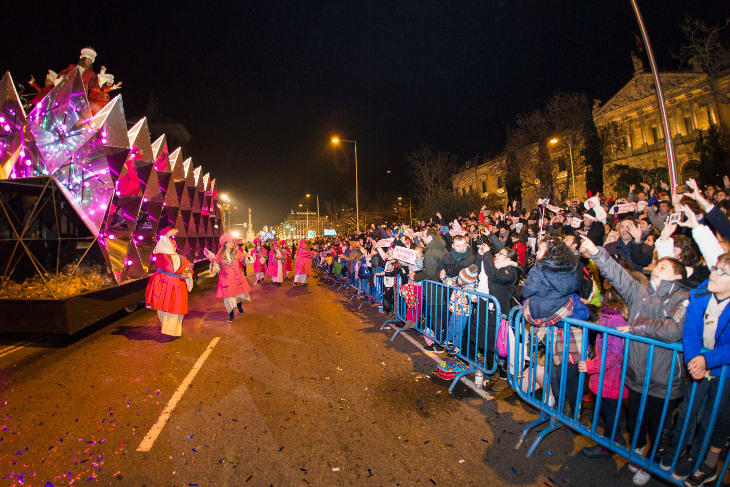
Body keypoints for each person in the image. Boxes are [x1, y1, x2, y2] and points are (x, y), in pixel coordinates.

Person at [579, 235, 690, 487]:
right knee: (636, 420)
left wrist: (636, 327)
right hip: (637, 377)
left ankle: (651, 465)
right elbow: (617, 274)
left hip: (663, 381)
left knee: (658, 427)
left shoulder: (682, 298)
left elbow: (672, 330)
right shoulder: (640, 292)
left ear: (677, 277)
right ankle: (638, 452)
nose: (656, 267)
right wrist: (596, 252)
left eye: (663, 266)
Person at [578, 287, 629, 459]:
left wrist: (591, 366)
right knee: (608, 411)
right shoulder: (609, 316)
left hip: (612, 377)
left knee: (610, 412)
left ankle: (609, 445)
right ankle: (615, 438)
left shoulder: (615, 320)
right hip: (608, 376)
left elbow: (614, 354)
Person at [144, 228, 193, 338]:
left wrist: (187, 274)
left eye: (174, 246)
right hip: (165, 285)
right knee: (164, 309)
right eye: (171, 245)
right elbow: (161, 245)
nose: (173, 247)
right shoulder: (162, 256)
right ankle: (168, 329)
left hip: (178, 286)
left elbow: (189, 268)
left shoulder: (182, 258)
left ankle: (174, 331)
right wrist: (166, 236)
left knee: (177, 310)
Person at [209, 234, 251, 322]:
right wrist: (213, 262)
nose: (232, 243)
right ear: (225, 243)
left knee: (239, 295)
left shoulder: (236, 252)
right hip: (226, 279)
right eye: (230, 242)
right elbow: (215, 269)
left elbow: (245, 261)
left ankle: (240, 307)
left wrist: (247, 256)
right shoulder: (219, 255)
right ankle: (231, 314)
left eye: (232, 242)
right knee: (228, 298)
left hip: (237, 277)